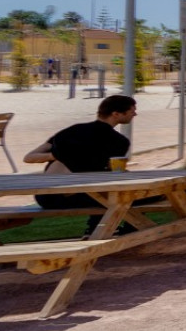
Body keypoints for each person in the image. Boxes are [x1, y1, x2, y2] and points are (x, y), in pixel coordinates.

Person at [23, 95, 137, 235]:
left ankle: (96, 230)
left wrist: (56, 156)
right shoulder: (118, 141)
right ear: (116, 114)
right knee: (133, 196)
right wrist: (62, 156)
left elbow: (29, 157)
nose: (135, 114)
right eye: (132, 111)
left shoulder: (72, 131)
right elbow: (107, 174)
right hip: (68, 196)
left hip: (44, 197)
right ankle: (122, 231)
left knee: (103, 193)